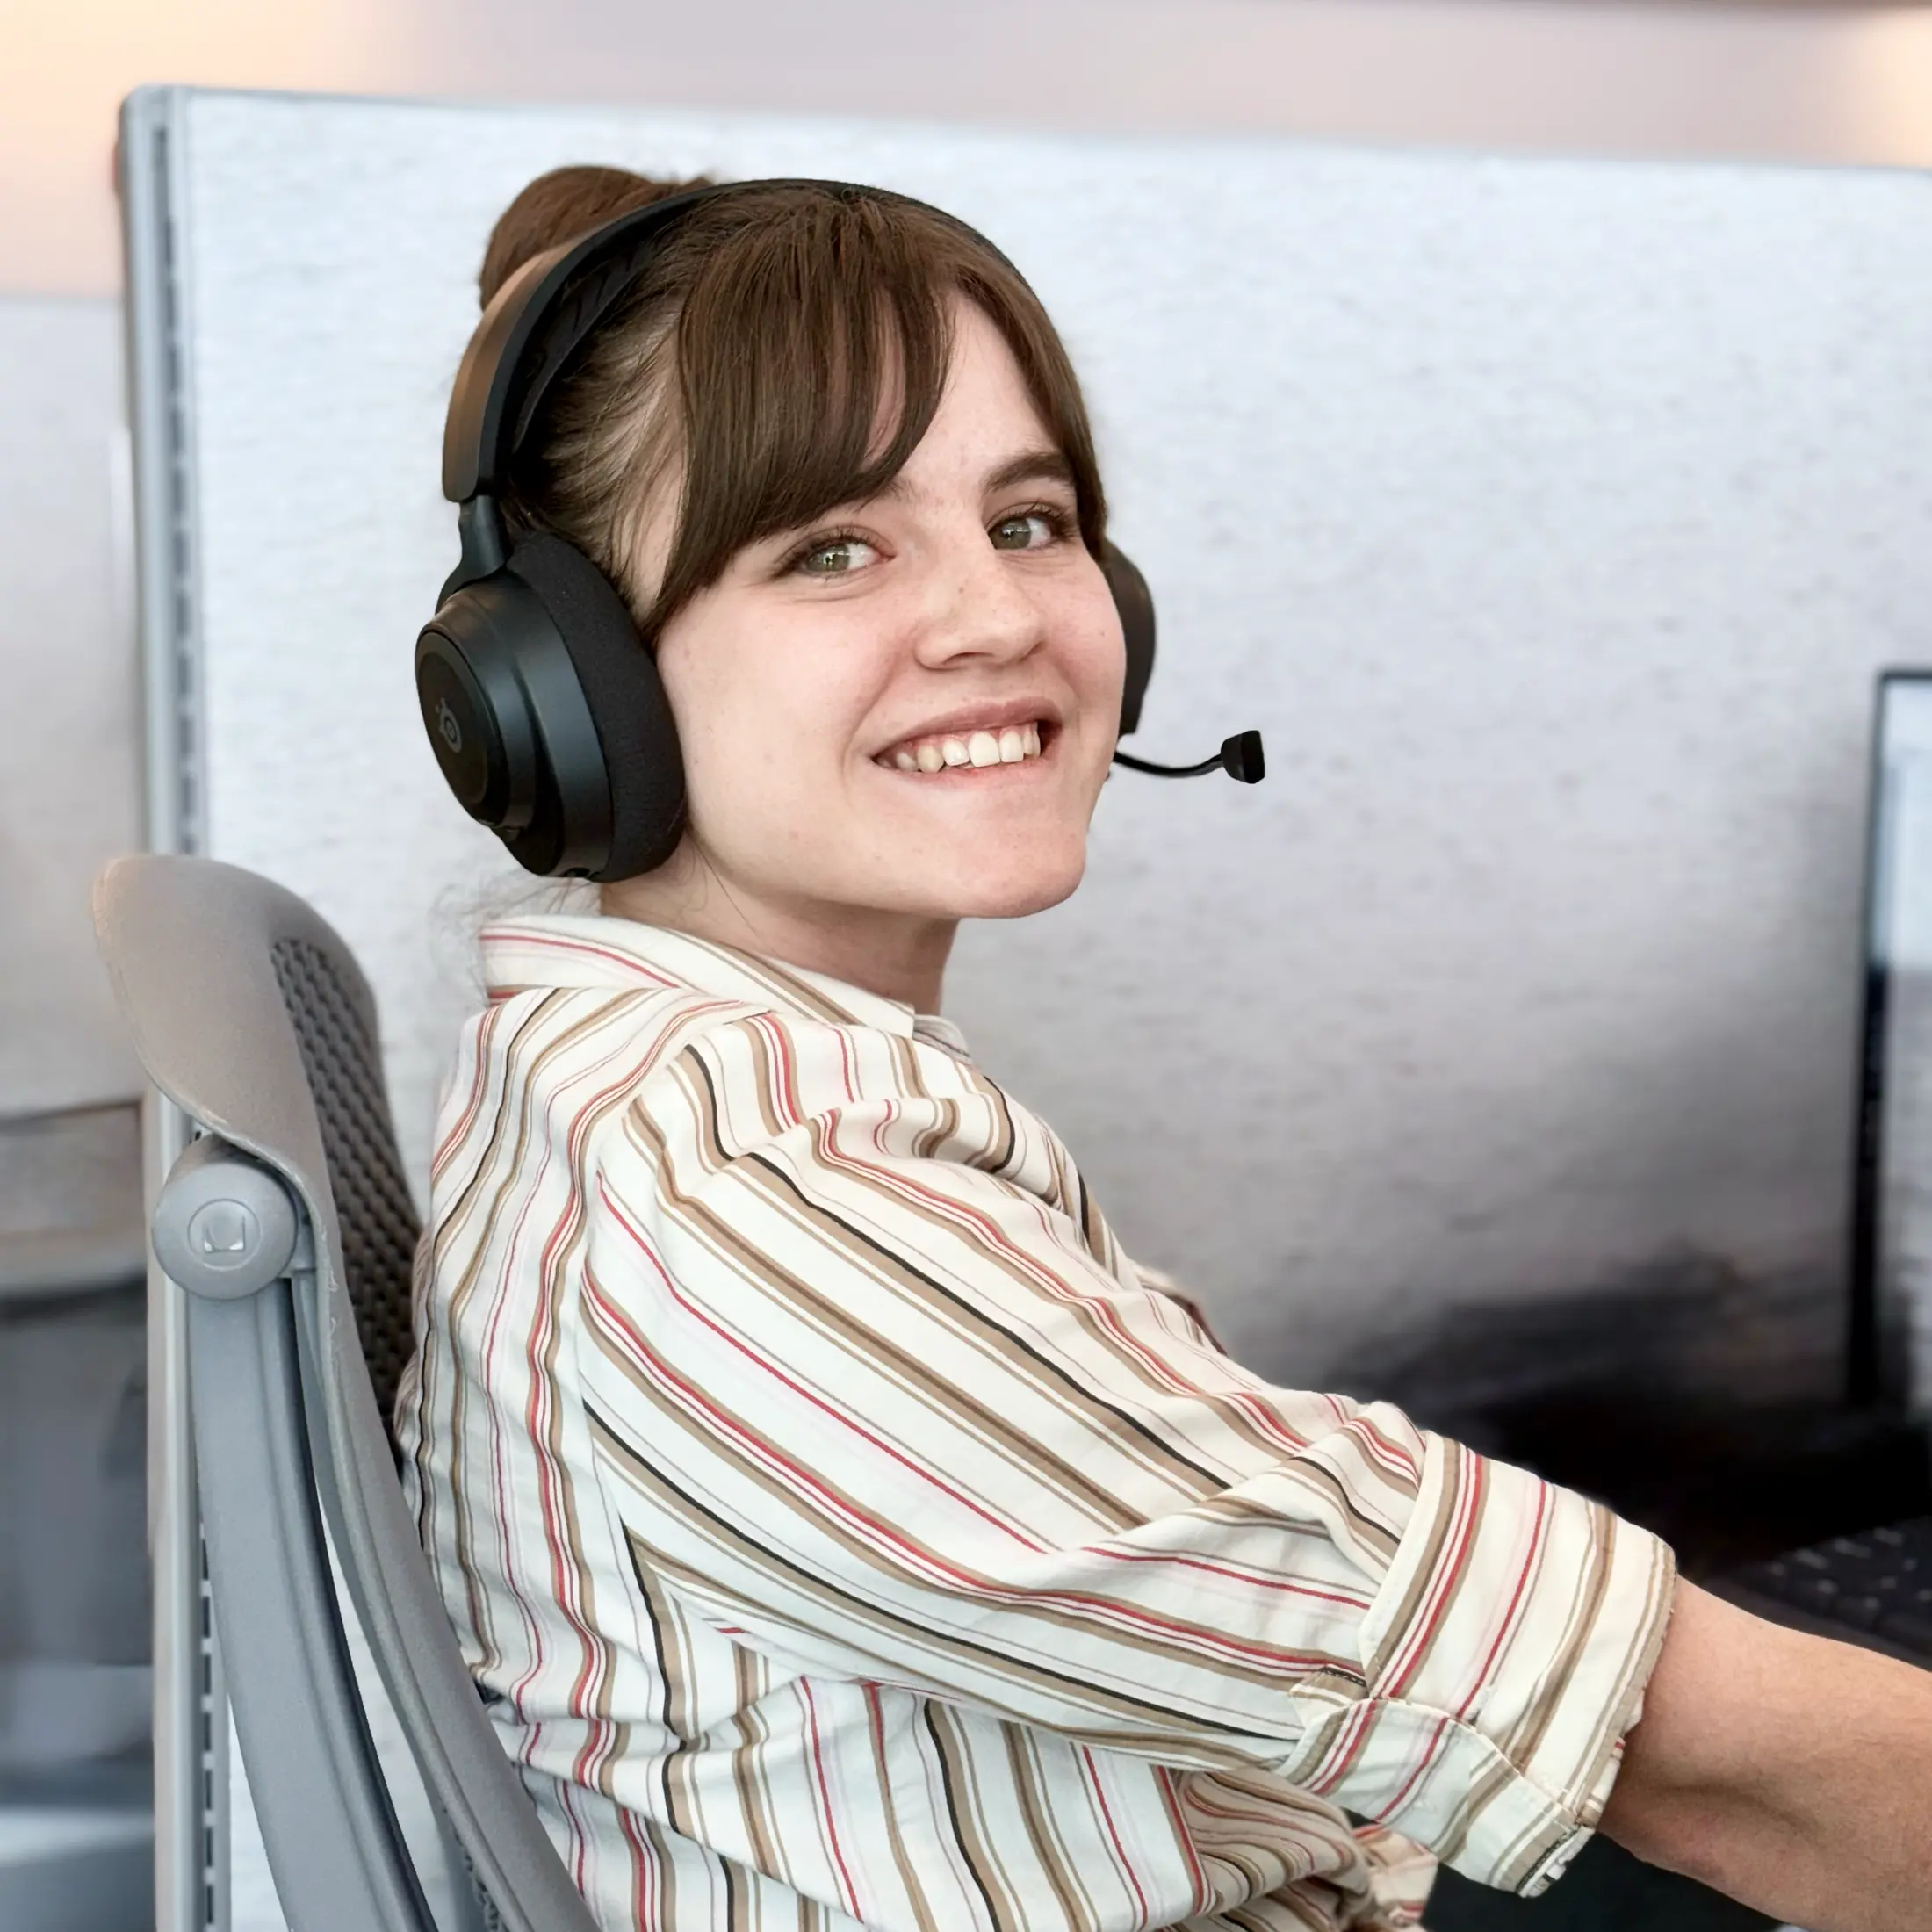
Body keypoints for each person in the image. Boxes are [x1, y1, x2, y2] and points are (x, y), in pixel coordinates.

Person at [396, 169, 1932, 1932]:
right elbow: (1733, 1772)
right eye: (833, 546)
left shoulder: (702, 1091)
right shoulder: (741, 1186)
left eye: (1030, 520)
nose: (995, 616)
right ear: (565, 683)